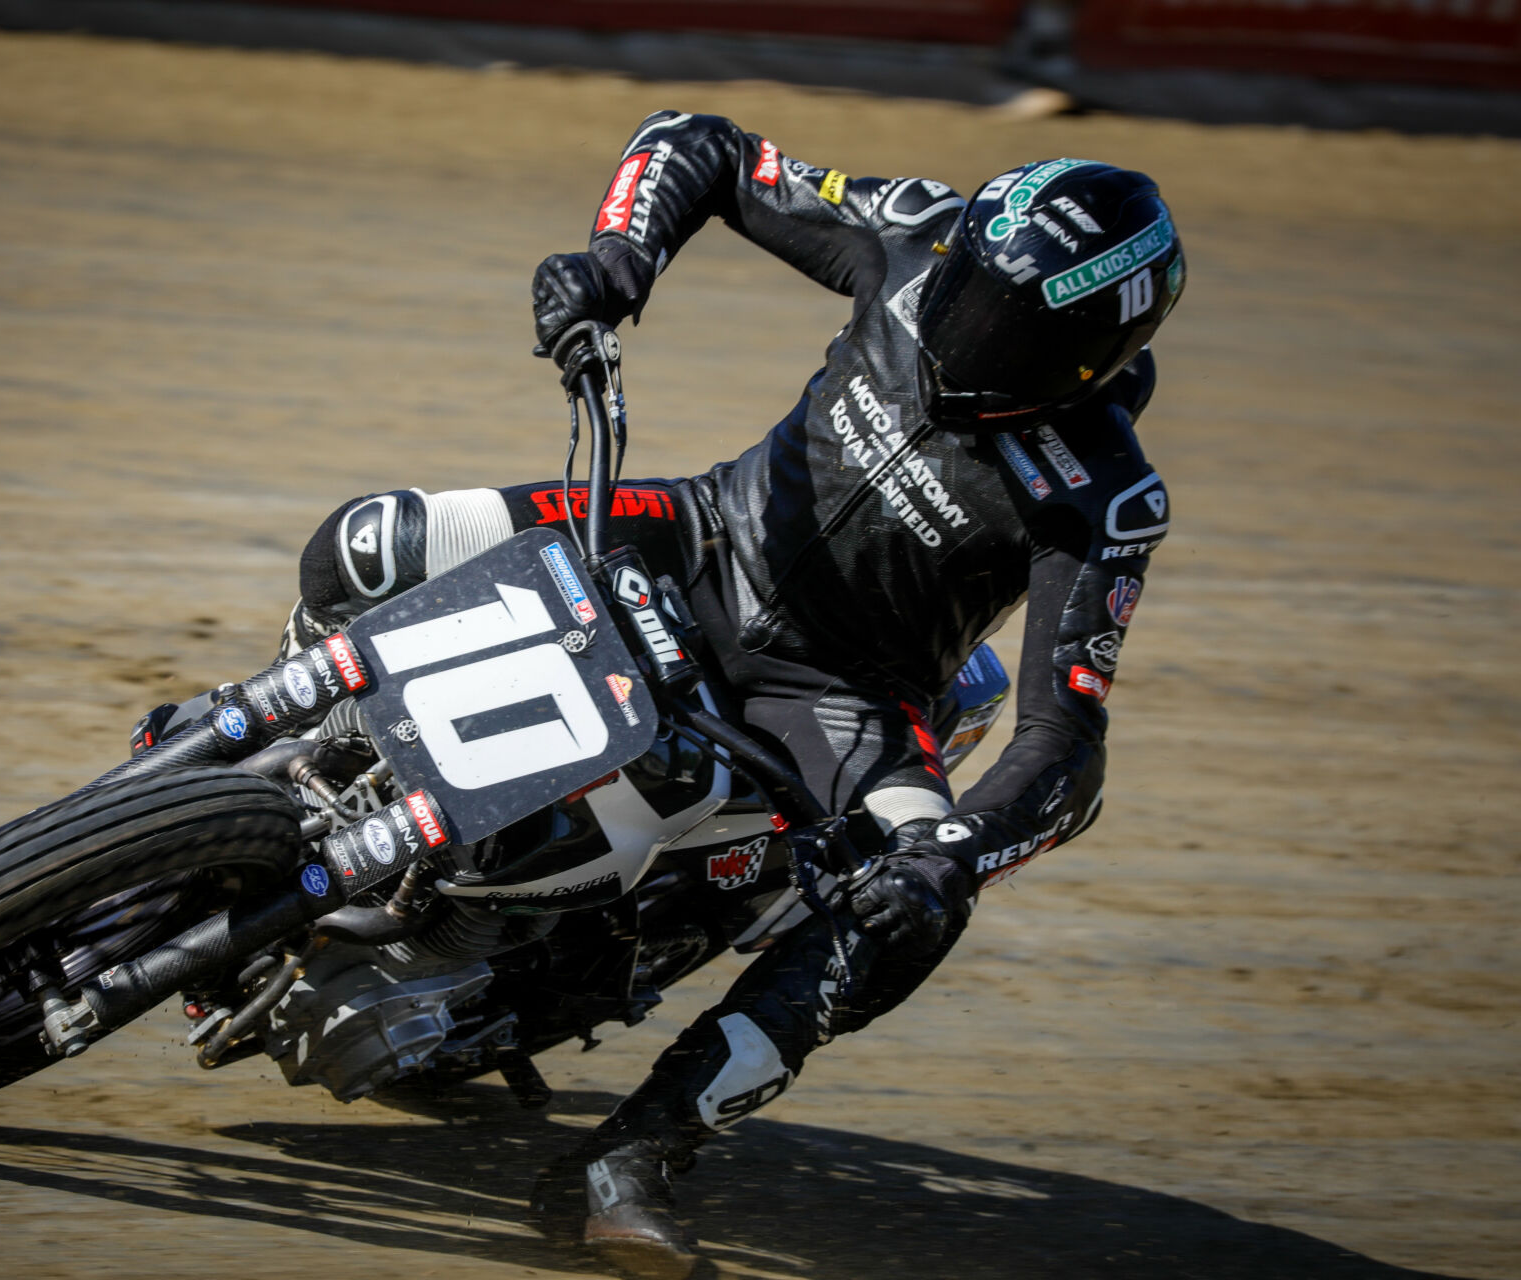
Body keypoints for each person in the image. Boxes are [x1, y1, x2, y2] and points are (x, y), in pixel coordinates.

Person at [284, 111, 1183, 1278]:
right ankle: (253, 758)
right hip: (699, 535)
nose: (963, 325)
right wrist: (616, 265)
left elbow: (1068, 744)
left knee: (910, 918)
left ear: (1092, 358)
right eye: (967, 285)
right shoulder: (921, 231)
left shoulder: (1108, 497)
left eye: (1007, 325)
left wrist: (956, 851)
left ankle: (633, 1158)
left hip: (846, 701)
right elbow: (700, 145)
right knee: (362, 544)